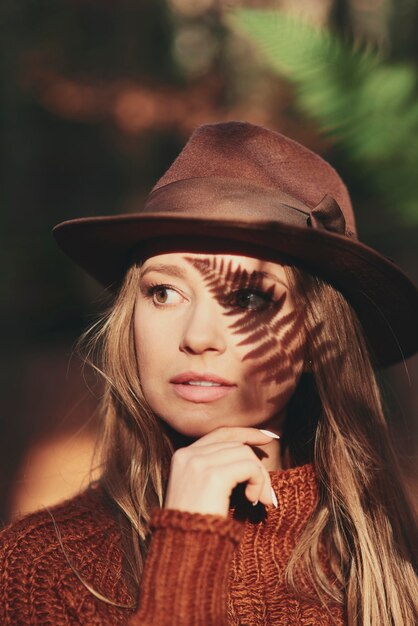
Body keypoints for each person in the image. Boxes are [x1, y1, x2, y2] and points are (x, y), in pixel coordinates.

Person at [1, 121, 417, 626]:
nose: (198, 337)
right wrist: (187, 549)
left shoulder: (392, 563)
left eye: (249, 298)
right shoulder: (44, 565)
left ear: (315, 336)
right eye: (164, 293)